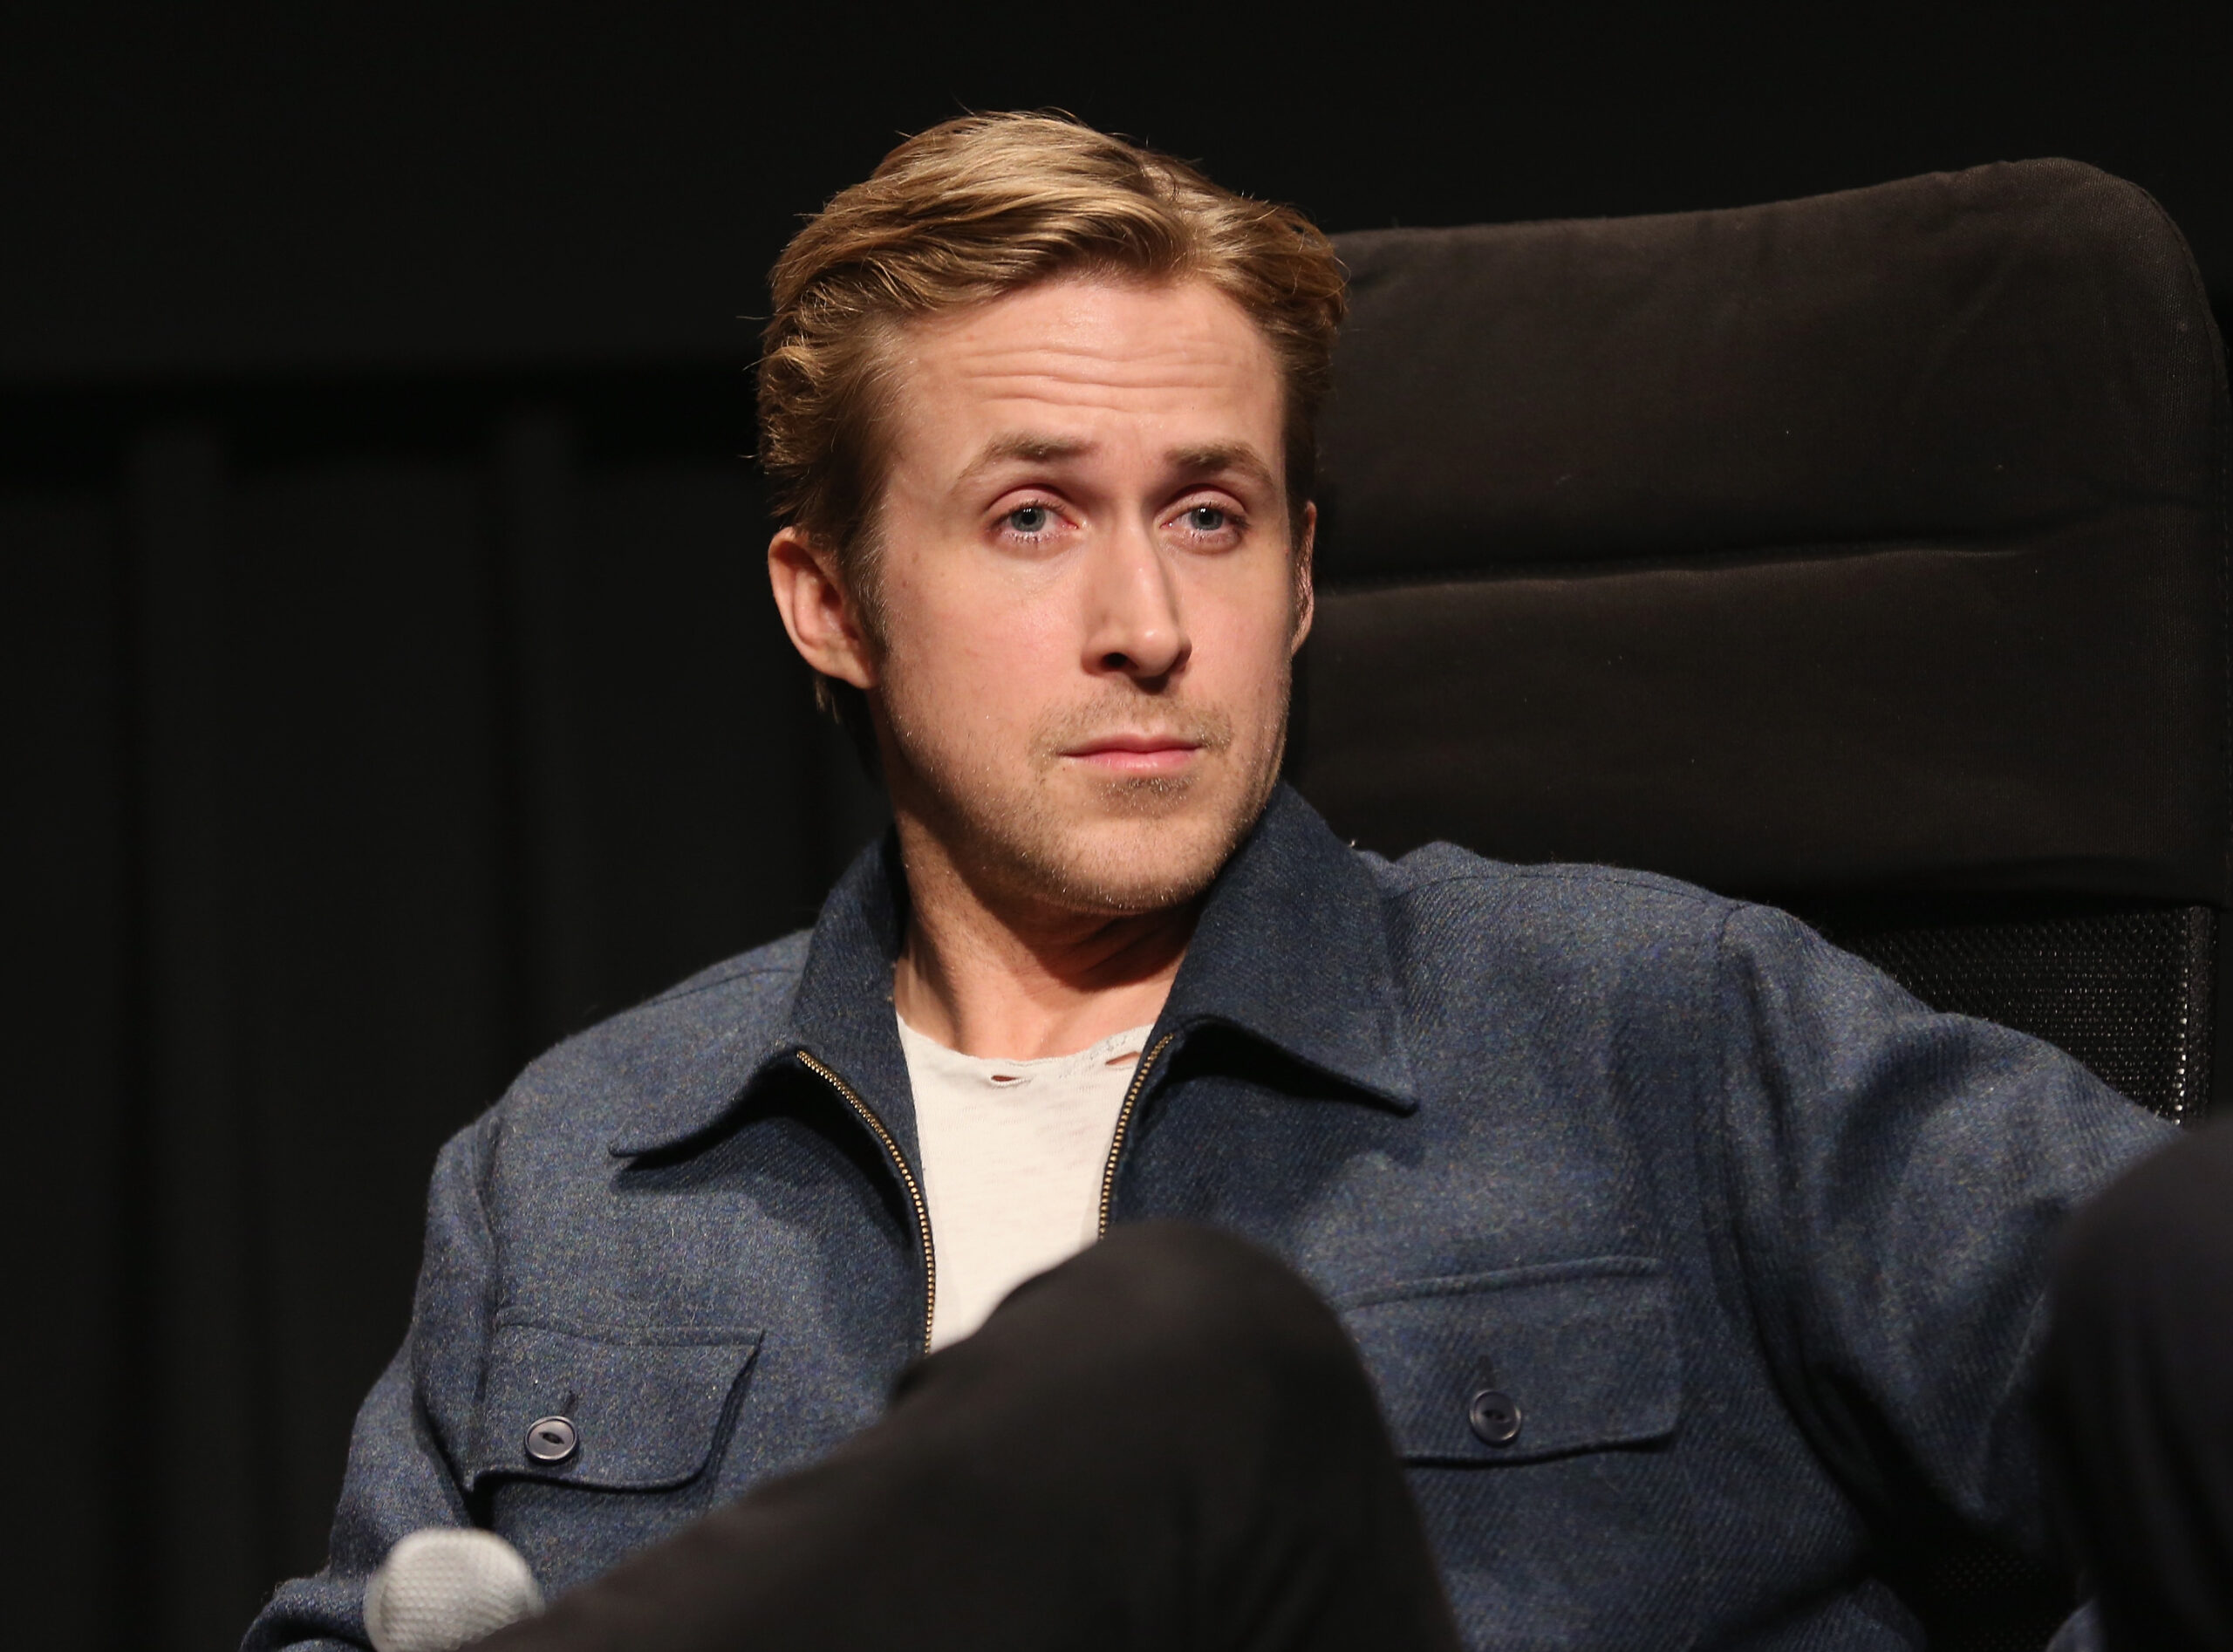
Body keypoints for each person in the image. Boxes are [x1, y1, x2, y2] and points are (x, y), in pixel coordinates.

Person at [245, 113, 2173, 1652]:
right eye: (1028, 517)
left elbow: (2183, 1344)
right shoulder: (577, 1166)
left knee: (1176, 1356)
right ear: (827, 601)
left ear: (1301, 577)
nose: (1146, 621)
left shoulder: (1654, 1024)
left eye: (1206, 512)